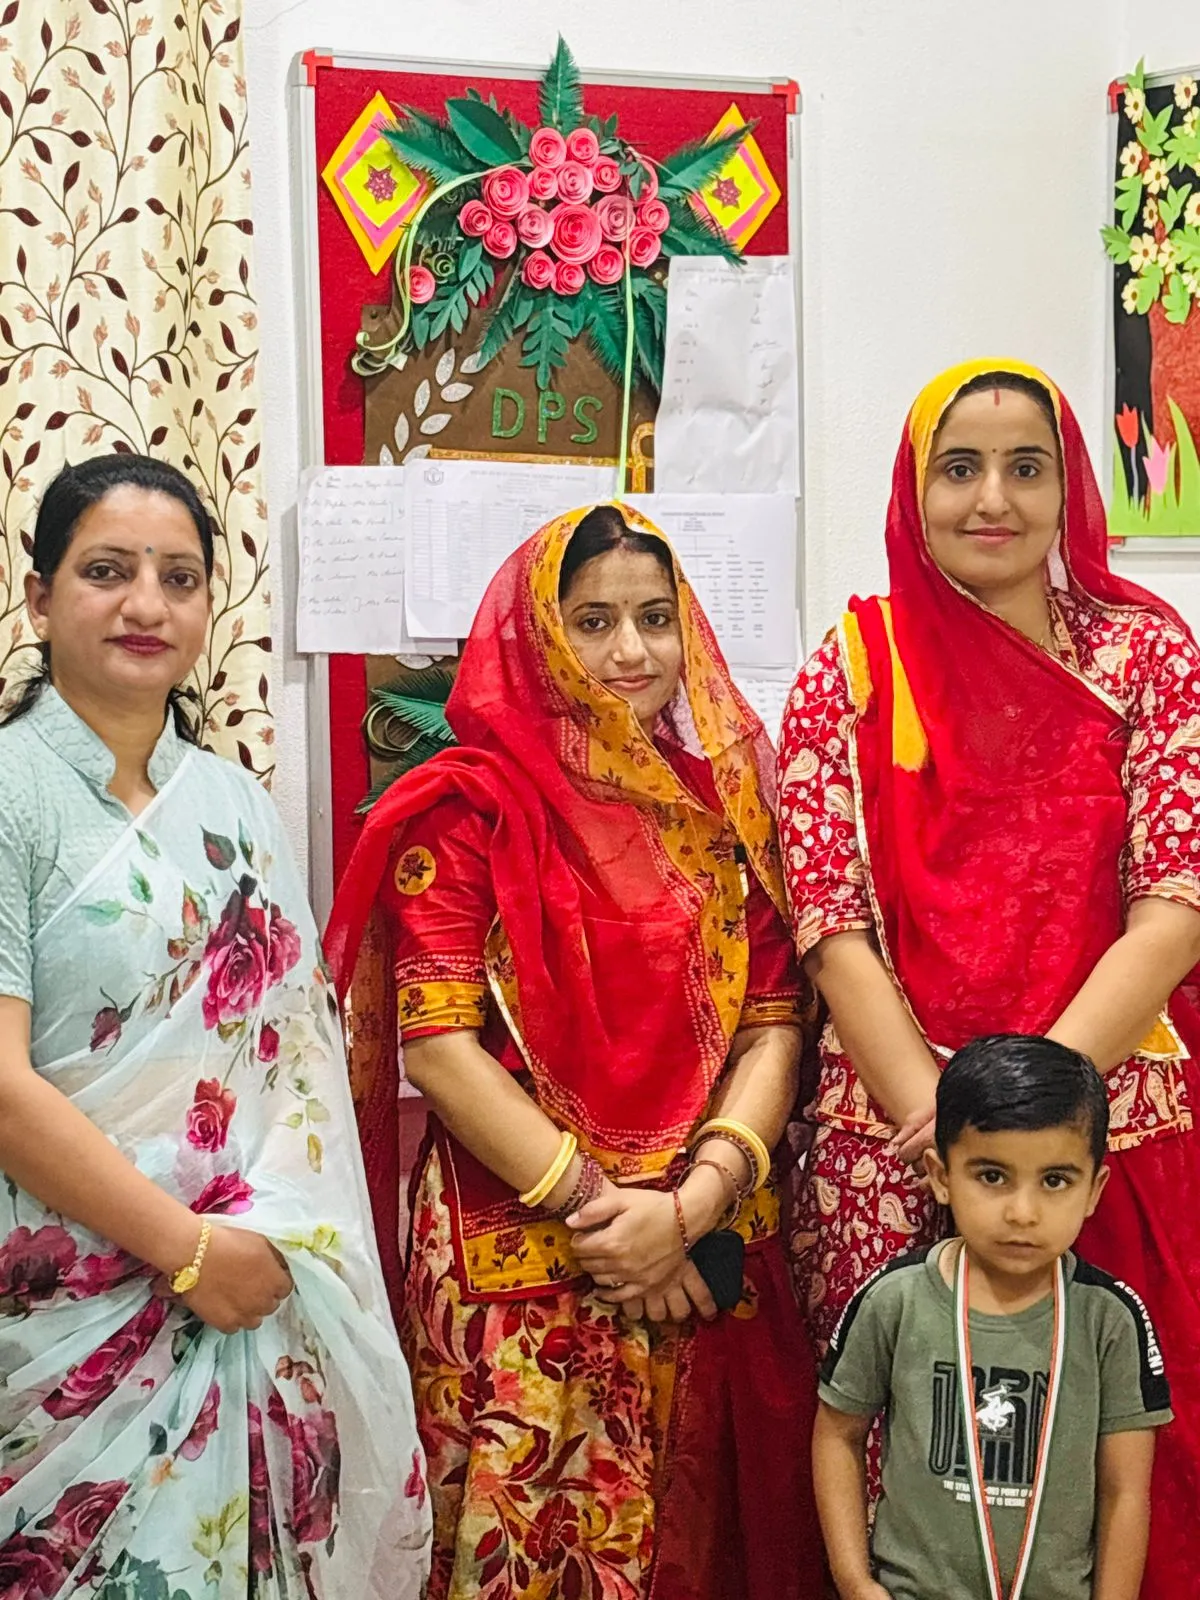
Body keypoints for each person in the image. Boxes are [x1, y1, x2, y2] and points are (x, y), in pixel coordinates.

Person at [325, 502, 825, 1599]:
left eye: (655, 617)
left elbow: (773, 1023)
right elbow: (439, 1049)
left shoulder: (723, 811)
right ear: (540, 639)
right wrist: (614, 1219)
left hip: (702, 1249)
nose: (631, 650)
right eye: (593, 621)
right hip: (522, 1255)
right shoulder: (467, 811)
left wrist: (685, 1214)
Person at [779, 358, 1200, 1591]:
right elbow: (829, 916)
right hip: (893, 1138)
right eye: (958, 468)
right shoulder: (853, 664)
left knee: (1108, 1477)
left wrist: (1025, 1117)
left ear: (1071, 488)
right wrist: (945, 1118)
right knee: (905, 1476)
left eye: (1028, 467)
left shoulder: (1145, 655)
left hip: (1099, 1135)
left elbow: (1177, 899)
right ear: (915, 489)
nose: (993, 499)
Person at [0, 455, 430, 1597]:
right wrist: (185, 1251)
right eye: (107, 571)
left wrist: (257, 1248)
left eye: (178, 577)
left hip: (246, 1288)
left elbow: (297, 1070)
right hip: (62, 1310)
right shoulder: (9, 793)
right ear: (38, 597)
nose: (146, 603)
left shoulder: (234, 801)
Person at [814, 1034, 1171, 1600]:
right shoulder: (894, 1299)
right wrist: (855, 1580)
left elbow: (1125, 1492)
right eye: (992, 1176)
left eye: (1055, 1180)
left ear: (1093, 1189)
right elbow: (838, 1433)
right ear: (941, 1176)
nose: (1022, 1213)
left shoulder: (1111, 1319)